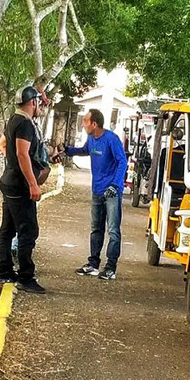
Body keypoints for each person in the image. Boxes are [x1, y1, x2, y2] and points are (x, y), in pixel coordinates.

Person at [62, 109, 127, 280]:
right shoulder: (91, 139)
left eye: (85, 121)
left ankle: (111, 268)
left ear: (94, 124)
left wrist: (115, 184)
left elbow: (122, 161)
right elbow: (85, 150)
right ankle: (93, 264)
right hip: (97, 190)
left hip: (112, 192)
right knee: (96, 228)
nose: (83, 125)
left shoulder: (111, 139)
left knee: (113, 230)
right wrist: (67, 150)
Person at [0, 85, 46, 294]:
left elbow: (5, 146)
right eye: (39, 103)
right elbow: (22, 153)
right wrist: (33, 183)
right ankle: (26, 276)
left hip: (9, 181)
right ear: (33, 102)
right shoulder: (24, 124)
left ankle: (5, 271)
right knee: (28, 230)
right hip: (19, 185)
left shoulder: (13, 120)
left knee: (7, 228)